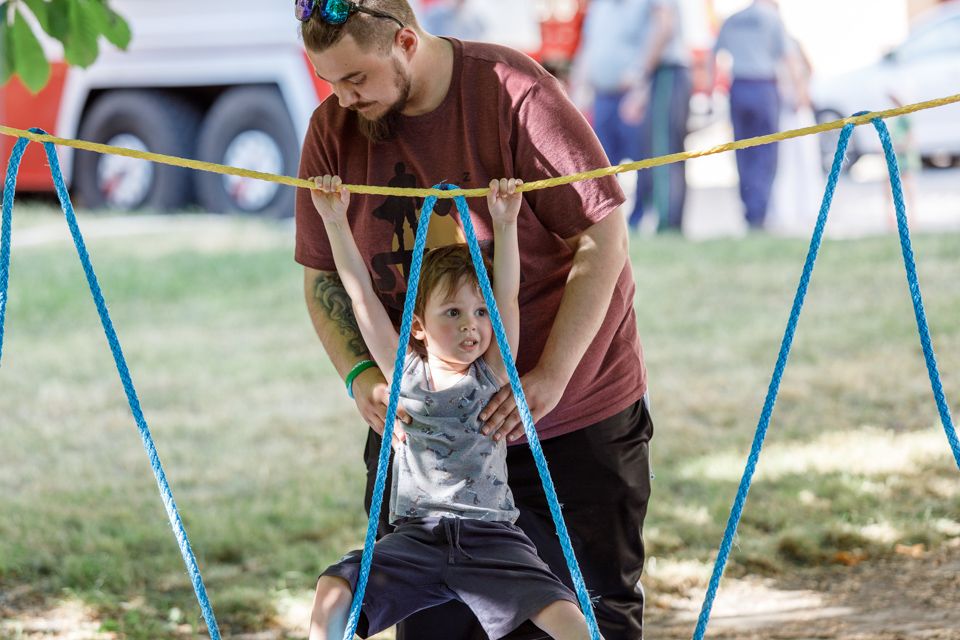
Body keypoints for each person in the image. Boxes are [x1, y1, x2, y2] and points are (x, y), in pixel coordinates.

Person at [294, 1, 653, 638]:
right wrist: (362, 377)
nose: (342, 99)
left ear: (405, 41)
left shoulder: (512, 92)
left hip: (569, 416)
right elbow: (327, 276)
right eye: (330, 82)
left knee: (583, 611)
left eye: (355, 79)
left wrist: (546, 377)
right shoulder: (334, 130)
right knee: (430, 621)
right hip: (426, 436)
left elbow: (603, 240)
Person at [307, 175, 600, 640]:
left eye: (480, 313)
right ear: (418, 327)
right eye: (454, 313)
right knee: (334, 587)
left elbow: (506, 294)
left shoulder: (493, 373)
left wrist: (505, 224)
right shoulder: (404, 373)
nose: (473, 325)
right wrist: (335, 222)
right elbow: (361, 297)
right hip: (417, 538)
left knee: (568, 618)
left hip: (493, 539)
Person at [572, 0, 690, 233]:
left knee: (653, 157)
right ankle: (606, 224)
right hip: (604, 94)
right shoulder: (601, 7)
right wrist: (578, 91)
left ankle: (662, 224)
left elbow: (664, 26)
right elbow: (589, 46)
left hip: (645, 87)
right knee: (601, 161)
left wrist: (640, 81)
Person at [713, 0, 791, 230]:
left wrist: (710, 89)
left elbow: (714, 54)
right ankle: (761, 211)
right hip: (764, 87)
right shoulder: (772, 18)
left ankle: (750, 208)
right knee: (766, 152)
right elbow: (787, 57)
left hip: (739, 87)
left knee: (743, 150)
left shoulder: (732, 20)